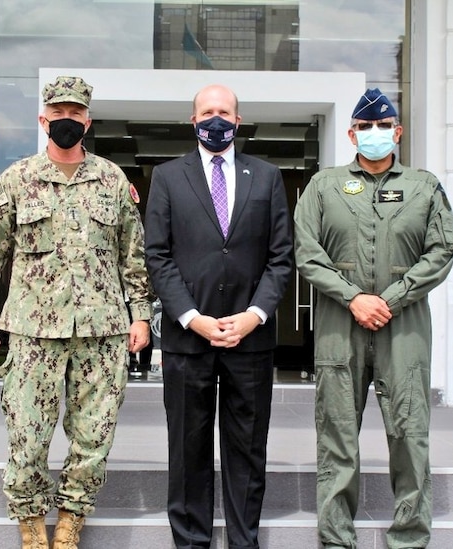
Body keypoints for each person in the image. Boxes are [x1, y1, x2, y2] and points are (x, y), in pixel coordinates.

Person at [0, 75, 153, 549]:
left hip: (102, 328)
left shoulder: (112, 180)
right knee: (26, 432)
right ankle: (31, 524)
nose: (66, 121)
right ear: (42, 119)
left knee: (95, 434)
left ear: (87, 121)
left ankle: (70, 520)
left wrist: (140, 315)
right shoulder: (15, 180)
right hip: (32, 329)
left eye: (75, 114)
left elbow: (133, 255)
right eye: (58, 114)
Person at [293, 88, 453, 549]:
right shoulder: (323, 187)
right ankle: (335, 538)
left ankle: (408, 537)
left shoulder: (425, 186)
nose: (374, 134)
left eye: (382, 126)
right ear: (350, 134)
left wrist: (393, 297)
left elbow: (442, 249)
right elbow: (307, 253)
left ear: (398, 132)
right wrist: (353, 298)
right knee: (337, 434)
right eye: (364, 127)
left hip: (402, 328)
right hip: (337, 329)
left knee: (409, 433)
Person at [144, 84, 293, 549]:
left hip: (250, 341)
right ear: (193, 121)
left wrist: (254, 315)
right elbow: (158, 256)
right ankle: (190, 543)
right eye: (207, 112)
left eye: (223, 112)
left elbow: (281, 257)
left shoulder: (266, 177)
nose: (216, 119)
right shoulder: (167, 177)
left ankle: (243, 542)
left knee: (247, 451)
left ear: (238, 119)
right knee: (188, 452)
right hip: (189, 341)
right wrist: (192, 316)